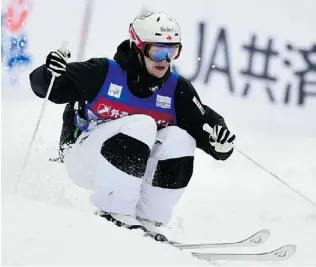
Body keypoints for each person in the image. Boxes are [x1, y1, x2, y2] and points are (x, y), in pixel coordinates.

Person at [29, 11, 236, 241]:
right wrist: (49, 73)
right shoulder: (104, 73)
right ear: (139, 47)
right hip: (81, 159)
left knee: (181, 138)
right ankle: (114, 211)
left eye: (172, 51)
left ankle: (148, 218)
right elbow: (45, 87)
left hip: (125, 169)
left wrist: (220, 143)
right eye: (157, 51)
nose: (164, 60)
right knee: (143, 124)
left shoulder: (176, 90)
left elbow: (203, 123)